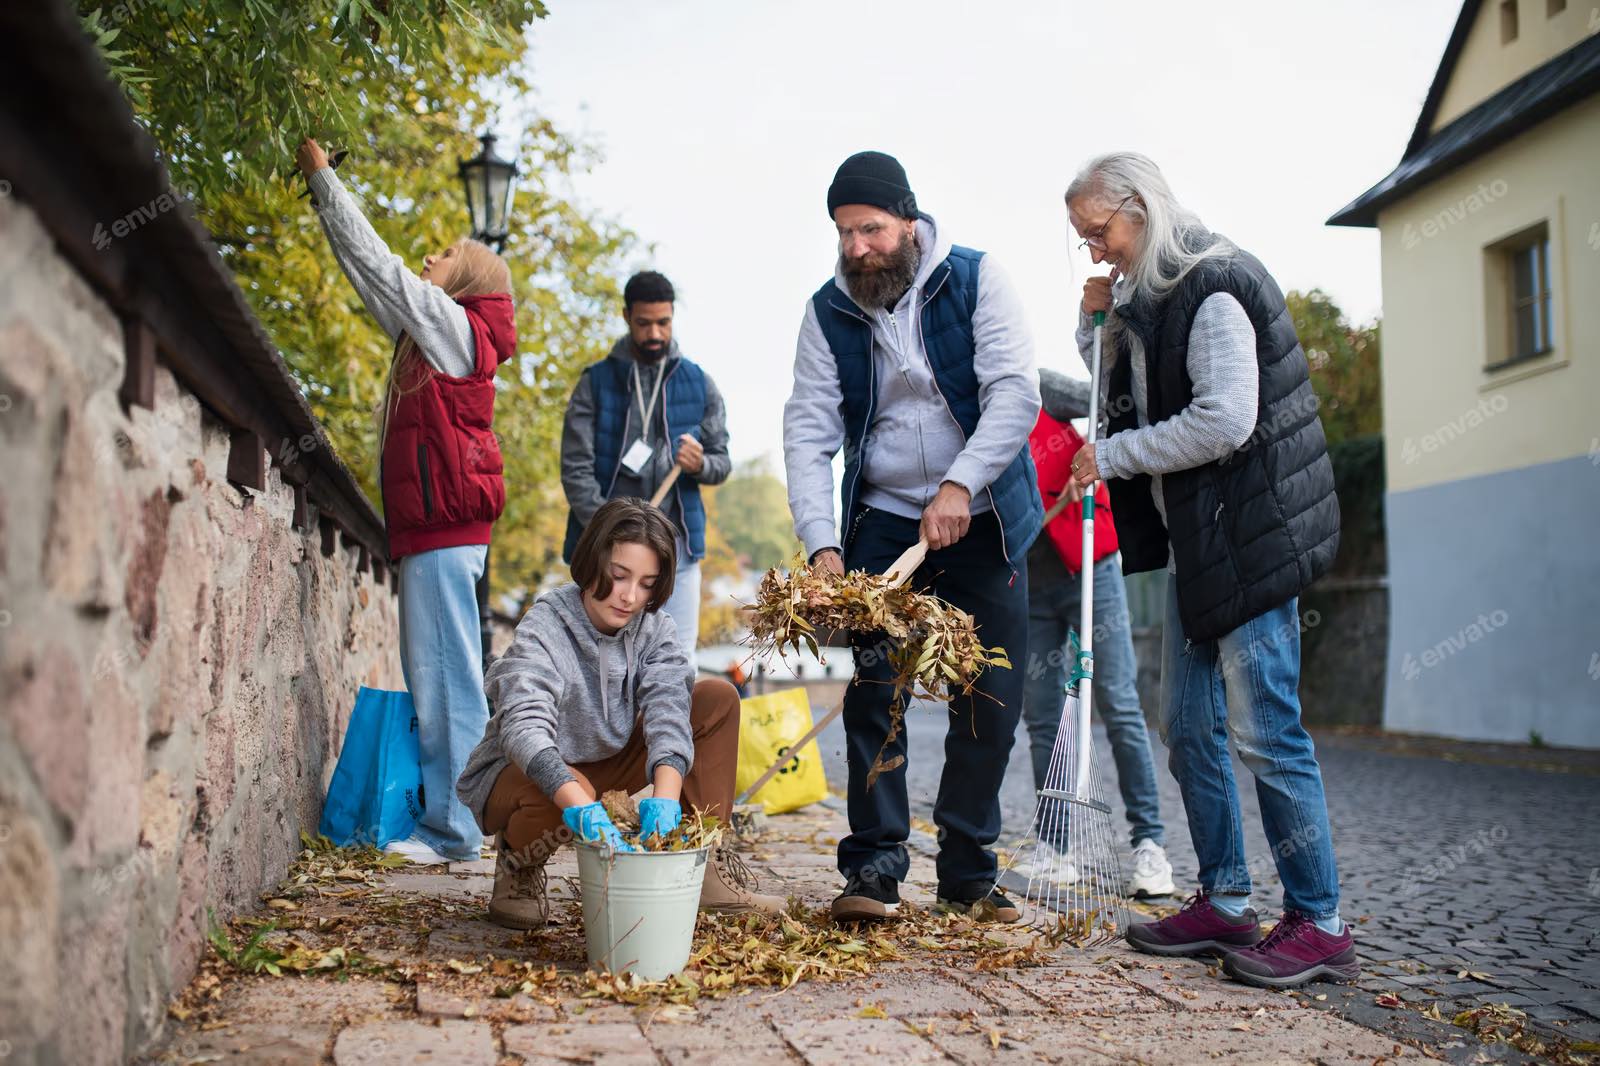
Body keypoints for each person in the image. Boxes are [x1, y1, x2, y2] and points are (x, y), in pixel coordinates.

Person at [1063, 152, 1353, 988]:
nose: (1096, 253)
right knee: (1189, 727)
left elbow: (1225, 419)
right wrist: (1097, 330)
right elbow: (1117, 396)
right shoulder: (1147, 297)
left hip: (1252, 540)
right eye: (1083, 241)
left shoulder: (1215, 283)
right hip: (1199, 545)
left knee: (1266, 730)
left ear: (1140, 208)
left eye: (1099, 233)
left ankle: (1320, 922)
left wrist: (1111, 457)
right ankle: (1226, 899)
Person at [783, 151, 1042, 924]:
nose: (856, 247)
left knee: (989, 700)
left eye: (870, 229)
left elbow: (1014, 393)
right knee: (874, 697)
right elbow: (807, 432)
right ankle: (874, 870)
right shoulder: (826, 312)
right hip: (883, 522)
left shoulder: (977, 278)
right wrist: (824, 545)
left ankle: (967, 872)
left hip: (986, 513)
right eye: (844, 233)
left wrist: (962, 484)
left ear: (908, 221)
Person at [299, 136, 514, 867]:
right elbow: (375, 283)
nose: (430, 260)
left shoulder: (453, 328)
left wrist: (324, 180)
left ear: (469, 279)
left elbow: (378, 268)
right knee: (441, 672)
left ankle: (457, 832)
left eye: (445, 255)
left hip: (446, 533)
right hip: (440, 533)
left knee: (449, 677)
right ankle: (457, 824)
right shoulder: (438, 337)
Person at [455, 499, 783, 929]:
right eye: (619, 576)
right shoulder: (547, 624)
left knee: (716, 699)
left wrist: (665, 799)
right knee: (570, 790)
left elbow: (669, 710)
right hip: (527, 769)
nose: (630, 597)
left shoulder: (654, 629)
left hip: (611, 757)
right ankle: (518, 863)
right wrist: (578, 801)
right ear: (593, 561)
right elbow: (524, 724)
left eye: (647, 583)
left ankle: (699, 864)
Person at [1014, 368, 1174, 899]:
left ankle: (1150, 845)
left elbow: (1102, 399)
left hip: (1090, 561)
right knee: (1042, 716)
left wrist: (1097, 453)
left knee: (1118, 703)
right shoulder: (967, 405)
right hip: (1030, 581)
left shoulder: (1035, 385)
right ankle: (1056, 847)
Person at [560, 272, 730, 666]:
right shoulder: (595, 383)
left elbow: (721, 462)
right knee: (601, 661)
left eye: (663, 322)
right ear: (625, 316)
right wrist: (608, 534)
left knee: (675, 661)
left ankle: (664, 730)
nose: (655, 332)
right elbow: (575, 469)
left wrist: (700, 464)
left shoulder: (700, 383)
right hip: (607, 550)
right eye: (644, 323)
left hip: (679, 550)